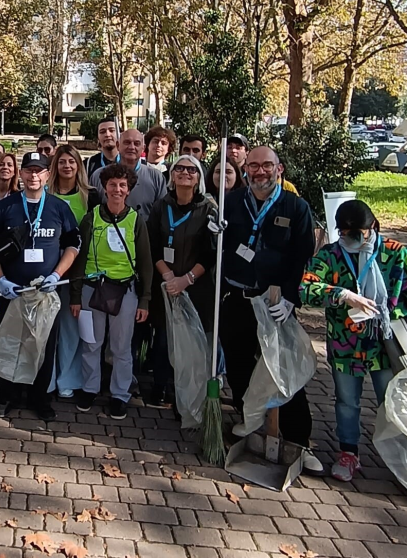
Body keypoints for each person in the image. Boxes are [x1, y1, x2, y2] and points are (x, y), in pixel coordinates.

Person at [300, 200, 407, 485]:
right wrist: (341, 294)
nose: (351, 238)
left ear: (372, 227)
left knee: (393, 401)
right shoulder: (331, 255)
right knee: (347, 401)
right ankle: (348, 452)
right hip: (346, 341)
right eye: (344, 233)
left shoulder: (395, 254)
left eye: (357, 233)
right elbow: (306, 288)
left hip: (386, 343)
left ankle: (404, 462)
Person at [220, 145, 322, 473]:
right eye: (253, 166)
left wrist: (292, 296)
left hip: (275, 302)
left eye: (267, 166)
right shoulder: (232, 202)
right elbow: (222, 249)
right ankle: (249, 420)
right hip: (237, 299)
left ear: (279, 169)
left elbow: (304, 257)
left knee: (282, 370)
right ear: (245, 168)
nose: (259, 172)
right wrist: (215, 237)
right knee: (237, 365)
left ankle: (299, 440)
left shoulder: (296, 207)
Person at [0, 151, 80, 420]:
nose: (33, 176)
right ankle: (7, 396)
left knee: (44, 346)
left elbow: (74, 243)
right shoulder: (6, 206)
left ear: (47, 175)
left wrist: (56, 274)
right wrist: (0, 279)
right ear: (21, 174)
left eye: (39, 171)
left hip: (45, 292)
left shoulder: (59, 207)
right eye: (28, 170)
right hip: (13, 291)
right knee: (11, 343)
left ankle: (40, 399)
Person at [70, 164, 152, 419]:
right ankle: (90, 388)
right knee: (91, 344)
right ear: (105, 188)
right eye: (112, 185)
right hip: (91, 290)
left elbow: (146, 262)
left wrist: (145, 299)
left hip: (125, 291)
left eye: (122, 185)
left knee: (121, 347)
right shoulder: (92, 217)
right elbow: (79, 257)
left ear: (129, 190)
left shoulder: (136, 220)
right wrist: (75, 295)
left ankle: (119, 394)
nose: (117, 189)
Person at [147, 155, 217, 409]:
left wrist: (186, 280)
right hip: (166, 284)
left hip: (196, 287)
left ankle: (184, 392)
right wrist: (168, 277)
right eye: (180, 168)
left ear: (199, 177)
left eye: (192, 169)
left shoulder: (209, 209)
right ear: (172, 175)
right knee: (164, 337)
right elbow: (152, 245)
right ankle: (160, 386)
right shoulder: (160, 206)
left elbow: (211, 253)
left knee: (191, 342)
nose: (185, 173)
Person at [48, 145, 99, 399]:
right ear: (54, 166)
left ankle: (67, 377)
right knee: (47, 327)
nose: (67, 166)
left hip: (77, 270)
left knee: (70, 326)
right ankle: (45, 377)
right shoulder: (45, 194)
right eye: (62, 162)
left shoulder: (90, 196)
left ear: (79, 166)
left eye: (72, 162)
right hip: (47, 268)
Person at [90, 130, 166, 220]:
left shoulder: (156, 177)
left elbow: (162, 215)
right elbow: (92, 212)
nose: (132, 147)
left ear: (143, 148)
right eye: (127, 142)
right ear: (118, 145)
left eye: (137, 143)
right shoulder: (99, 175)